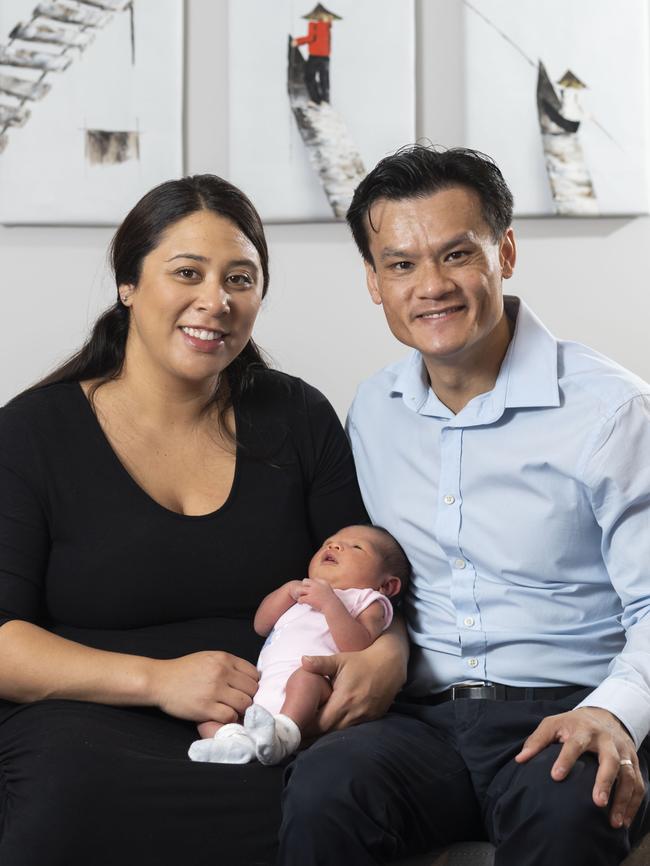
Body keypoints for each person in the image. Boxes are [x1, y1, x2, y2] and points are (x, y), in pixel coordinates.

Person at [0, 174, 409, 866]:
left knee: (326, 802)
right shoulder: (34, 433)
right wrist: (158, 680)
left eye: (240, 279)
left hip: (272, 723)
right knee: (69, 797)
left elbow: (370, 575)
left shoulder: (298, 419)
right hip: (86, 728)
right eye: (187, 272)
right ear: (129, 283)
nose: (215, 302)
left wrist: (388, 658)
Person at [278, 146, 650, 866]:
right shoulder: (375, 411)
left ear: (504, 252)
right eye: (401, 264)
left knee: (572, 803)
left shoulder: (613, 412)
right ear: (373, 280)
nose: (431, 287)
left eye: (456, 254)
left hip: (571, 706)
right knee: (325, 788)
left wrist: (614, 712)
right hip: (422, 722)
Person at [188, 524, 409, 766]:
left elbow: (358, 645)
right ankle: (233, 742)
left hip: (316, 687)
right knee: (208, 709)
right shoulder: (301, 593)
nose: (334, 545)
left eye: (356, 547)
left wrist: (330, 604)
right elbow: (261, 625)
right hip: (261, 691)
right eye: (330, 541)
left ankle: (284, 733)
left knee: (304, 678)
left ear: (386, 586)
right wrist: (287, 591)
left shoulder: (368, 600)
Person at [291, 3, 342, 105]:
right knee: (324, 79)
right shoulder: (328, 27)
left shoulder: (314, 24)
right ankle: (325, 100)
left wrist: (297, 41)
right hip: (325, 57)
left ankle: (315, 99)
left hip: (315, 56)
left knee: (309, 77)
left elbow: (310, 38)